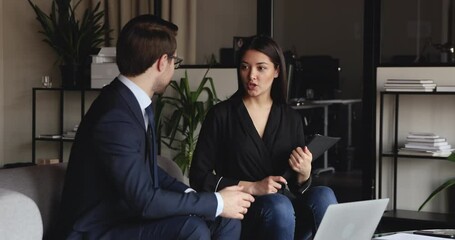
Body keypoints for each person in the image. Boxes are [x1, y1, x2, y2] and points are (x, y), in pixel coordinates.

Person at [55, 14, 254, 240]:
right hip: (97, 230)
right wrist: (216, 201)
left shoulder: (131, 103)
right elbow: (144, 201)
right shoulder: (116, 116)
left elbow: (148, 171)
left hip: (124, 218)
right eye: (174, 62)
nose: (173, 68)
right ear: (162, 62)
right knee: (193, 228)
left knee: (225, 219)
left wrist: (195, 196)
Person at [189, 35, 338, 240]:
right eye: (245, 67)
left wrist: (304, 173)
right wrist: (253, 186)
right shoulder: (221, 115)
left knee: (324, 195)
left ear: (276, 71)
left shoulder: (291, 117)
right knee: (279, 205)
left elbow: (296, 186)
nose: (251, 76)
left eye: (261, 68)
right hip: (247, 211)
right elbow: (198, 176)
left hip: (288, 209)